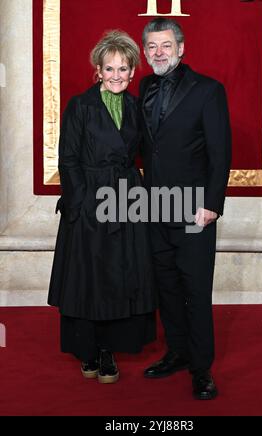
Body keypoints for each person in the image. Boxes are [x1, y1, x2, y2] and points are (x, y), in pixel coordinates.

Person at [48, 31, 156, 384]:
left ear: (132, 70)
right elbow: (68, 159)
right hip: (89, 202)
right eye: (109, 68)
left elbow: (152, 152)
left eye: (123, 69)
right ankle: (88, 350)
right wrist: (80, 204)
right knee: (89, 279)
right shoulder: (80, 105)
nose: (116, 76)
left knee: (120, 276)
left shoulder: (136, 106)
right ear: (98, 70)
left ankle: (110, 349)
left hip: (127, 200)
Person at [139, 18, 232, 400]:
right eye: (151, 47)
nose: (158, 53)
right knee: (167, 287)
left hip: (195, 210)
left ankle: (201, 368)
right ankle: (176, 352)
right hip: (153, 207)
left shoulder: (208, 90)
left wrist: (211, 204)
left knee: (195, 288)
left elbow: (220, 151)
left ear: (181, 48)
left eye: (165, 45)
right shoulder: (144, 85)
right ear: (145, 53)